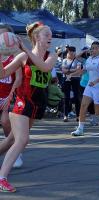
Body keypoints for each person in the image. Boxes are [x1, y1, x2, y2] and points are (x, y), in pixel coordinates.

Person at [0, 21, 57, 192]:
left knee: (11, 140)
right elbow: (3, 73)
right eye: (46, 34)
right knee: (22, 140)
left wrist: (24, 49)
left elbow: (45, 67)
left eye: (50, 34)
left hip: (37, 104)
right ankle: (2, 178)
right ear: (36, 37)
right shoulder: (22, 56)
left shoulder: (51, 55)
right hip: (21, 102)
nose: (50, 37)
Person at [71, 41, 99, 136]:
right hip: (89, 86)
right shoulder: (88, 59)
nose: (93, 50)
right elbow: (84, 71)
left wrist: (96, 81)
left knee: (98, 111)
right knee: (83, 105)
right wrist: (72, 74)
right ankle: (80, 129)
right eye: (92, 48)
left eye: (96, 48)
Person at [0, 24, 23, 168]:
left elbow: (19, 79)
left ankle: (16, 151)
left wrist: (10, 97)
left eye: (4, 35)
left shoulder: (16, 56)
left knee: (5, 121)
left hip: (8, 95)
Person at [61, 46, 82, 122]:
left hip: (75, 79)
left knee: (77, 97)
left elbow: (79, 71)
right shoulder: (65, 60)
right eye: (69, 51)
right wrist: (73, 70)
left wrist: (69, 73)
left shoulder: (77, 60)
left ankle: (78, 115)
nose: (71, 53)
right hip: (66, 79)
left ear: (74, 52)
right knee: (66, 97)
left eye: (72, 51)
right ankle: (65, 115)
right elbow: (63, 70)